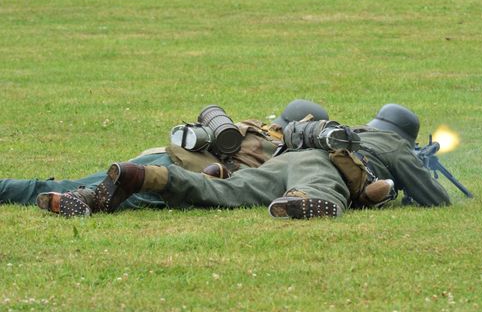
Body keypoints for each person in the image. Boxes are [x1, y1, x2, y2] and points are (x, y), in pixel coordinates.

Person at [42, 103, 450, 219]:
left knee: (224, 192)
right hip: (313, 167)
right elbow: (435, 200)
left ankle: (142, 176)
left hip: (274, 167)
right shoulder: (393, 145)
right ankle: (303, 202)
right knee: (320, 186)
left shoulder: (349, 131)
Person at [0, 99, 329, 212]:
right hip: (177, 179)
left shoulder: (248, 128)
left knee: (78, 183)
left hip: (164, 157)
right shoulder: (288, 156)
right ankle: (71, 199)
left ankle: (13, 188)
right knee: (109, 195)